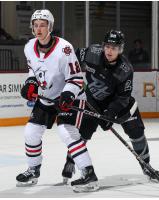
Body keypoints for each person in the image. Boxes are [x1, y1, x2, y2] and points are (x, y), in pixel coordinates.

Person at [61, 30, 159, 183]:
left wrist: (111, 113)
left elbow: (123, 97)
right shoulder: (91, 53)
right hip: (92, 100)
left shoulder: (125, 70)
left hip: (116, 103)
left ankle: (146, 165)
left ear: (120, 49)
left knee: (136, 130)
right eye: (107, 46)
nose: (109, 51)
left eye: (114, 48)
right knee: (83, 131)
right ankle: (70, 161)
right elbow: (70, 58)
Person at [16, 9, 99, 192]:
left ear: (50, 27)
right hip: (46, 98)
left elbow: (76, 78)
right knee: (30, 132)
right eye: (35, 25)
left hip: (70, 98)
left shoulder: (64, 49)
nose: (38, 29)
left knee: (66, 132)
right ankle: (33, 170)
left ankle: (88, 174)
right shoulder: (29, 46)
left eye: (42, 25)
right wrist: (31, 83)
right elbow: (34, 71)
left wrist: (68, 95)